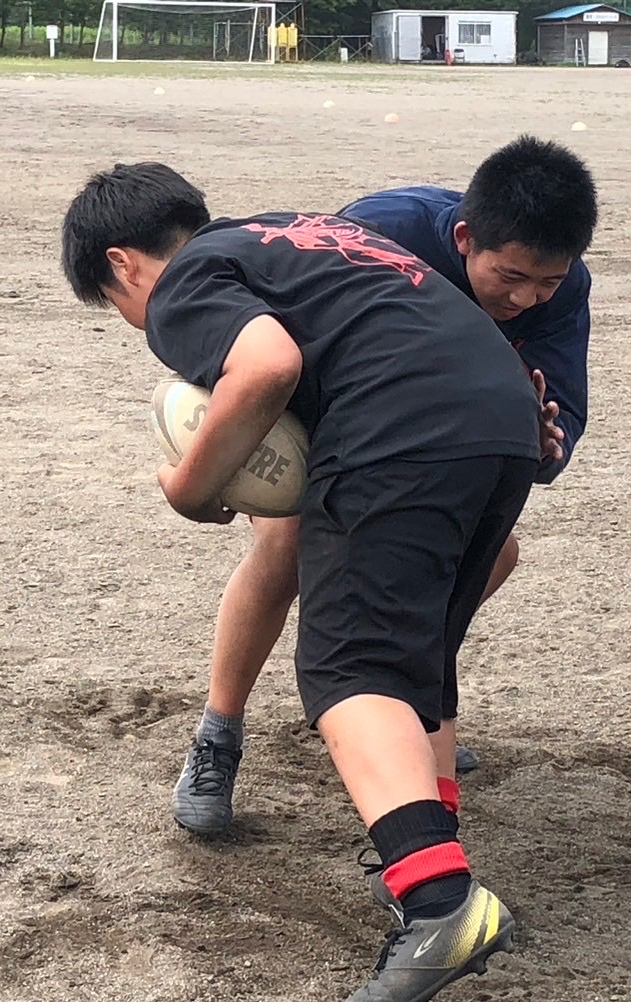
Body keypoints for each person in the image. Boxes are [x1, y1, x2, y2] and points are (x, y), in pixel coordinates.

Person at [61, 162, 554, 1002]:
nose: (134, 320)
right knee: (415, 663)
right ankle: (426, 855)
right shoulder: (296, 233)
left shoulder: (184, 283)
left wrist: (189, 488)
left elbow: (264, 366)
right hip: (503, 417)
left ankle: (438, 901)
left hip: (405, 426)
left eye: (114, 305)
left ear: (122, 265)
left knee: (349, 671)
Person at [171, 135, 596, 836]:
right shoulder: (382, 228)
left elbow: (563, 415)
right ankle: (218, 735)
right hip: (324, 420)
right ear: (464, 239)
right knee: (286, 545)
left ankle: (400, 712)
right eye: (511, 276)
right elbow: (285, 332)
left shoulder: (562, 288)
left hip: (430, 445)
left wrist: (547, 443)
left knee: (492, 553)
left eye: (547, 282)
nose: (527, 298)